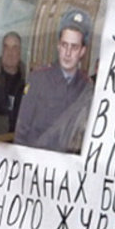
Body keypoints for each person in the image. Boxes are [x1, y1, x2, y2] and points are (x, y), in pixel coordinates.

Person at [14, 8, 94, 153]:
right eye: (64, 45)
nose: (68, 53)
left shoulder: (86, 87)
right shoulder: (38, 79)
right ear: (58, 46)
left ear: (82, 51)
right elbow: (21, 132)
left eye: (74, 47)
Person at [0, 31, 26, 137]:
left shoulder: (29, 80)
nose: (10, 52)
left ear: (20, 52)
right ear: (1, 51)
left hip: (20, 146)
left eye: (14, 48)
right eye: (6, 47)